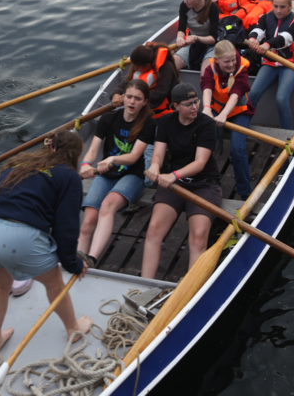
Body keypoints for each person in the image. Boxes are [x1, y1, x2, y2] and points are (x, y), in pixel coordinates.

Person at [0, 131, 91, 354]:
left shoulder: (17, 164)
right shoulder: (69, 176)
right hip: (17, 234)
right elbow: (66, 228)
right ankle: (73, 329)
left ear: (48, 147)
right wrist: (72, 263)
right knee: (54, 282)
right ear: (75, 155)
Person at [141, 83, 222, 279]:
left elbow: (200, 162)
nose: (195, 107)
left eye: (196, 102)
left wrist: (174, 175)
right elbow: (158, 154)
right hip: (174, 184)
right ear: (176, 106)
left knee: (198, 237)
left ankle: (191, 290)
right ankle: (144, 285)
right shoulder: (165, 122)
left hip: (204, 184)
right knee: (153, 231)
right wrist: (154, 166)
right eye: (188, 104)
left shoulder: (207, 124)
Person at [78, 80, 156, 267]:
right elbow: (93, 150)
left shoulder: (148, 123)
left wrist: (112, 159)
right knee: (89, 219)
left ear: (145, 102)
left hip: (133, 176)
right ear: (123, 97)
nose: (132, 102)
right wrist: (86, 164)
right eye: (129, 97)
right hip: (106, 174)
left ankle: (91, 259)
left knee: (107, 206)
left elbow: (134, 156)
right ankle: (77, 261)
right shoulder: (108, 118)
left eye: (137, 99)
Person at [201, 40, 255, 200]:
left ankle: (245, 192)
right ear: (217, 60)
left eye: (233, 60)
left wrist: (224, 114)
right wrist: (206, 108)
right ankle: (205, 182)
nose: (231, 64)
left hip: (239, 112)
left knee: (237, 150)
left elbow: (236, 93)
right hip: (216, 110)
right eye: (227, 61)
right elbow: (207, 87)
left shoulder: (241, 69)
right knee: (204, 144)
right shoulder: (211, 68)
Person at [247, 0, 294, 130]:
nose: (278, 10)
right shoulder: (265, 17)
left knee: (281, 99)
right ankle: (242, 128)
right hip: (270, 63)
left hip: (290, 64)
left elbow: (286, 38)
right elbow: (258, 30)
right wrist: (253, 39)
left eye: (283, 7)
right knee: (252, 94)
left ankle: (287, 135)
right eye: (276, 6)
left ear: (290, 6)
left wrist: (267, 44)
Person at [111, 43, 179, 119]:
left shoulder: (166, 67)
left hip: (165, 112)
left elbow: (159, 94)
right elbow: (126, 83)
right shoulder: (139, 65)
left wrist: (130, 97)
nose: (135, 70)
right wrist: (116, 93)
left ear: (147, 66)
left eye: (137, 68)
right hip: (142, 109)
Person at [174, 0, 219, 74]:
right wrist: (180, 38)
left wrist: (196, 38)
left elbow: (213, 39)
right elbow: (181, 28)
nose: (185, 1)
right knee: (171, 67)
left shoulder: (212, 8)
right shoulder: (184, 6)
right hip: (193, 44)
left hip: (211, 45)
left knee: (205, 73)